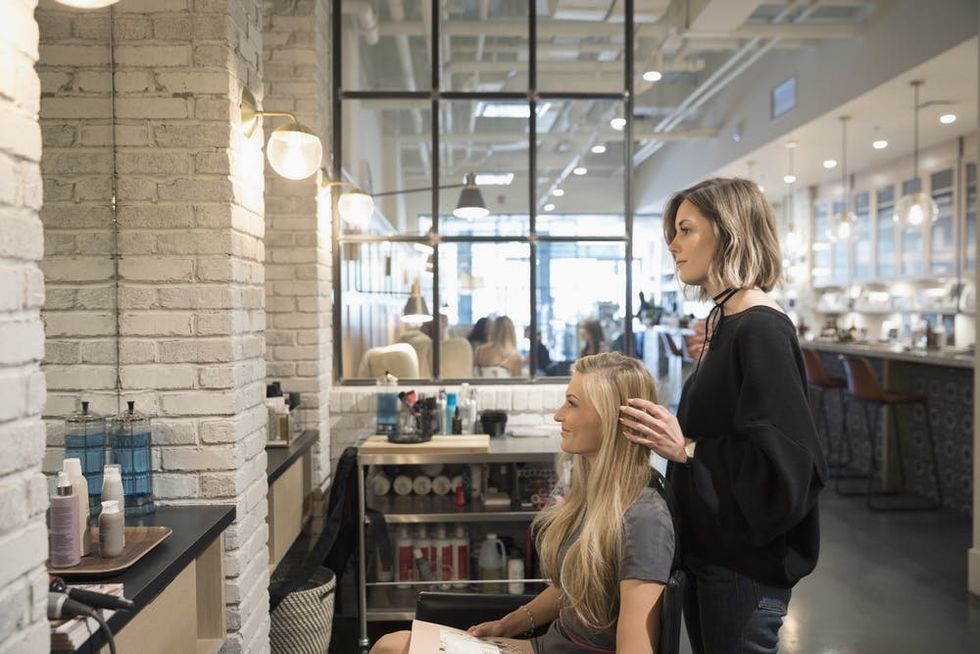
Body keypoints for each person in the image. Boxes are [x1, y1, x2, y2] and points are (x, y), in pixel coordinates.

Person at [618, 177, 827, 654]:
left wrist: (685, 447)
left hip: (743, 568)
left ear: (729, 232)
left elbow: (788, 469)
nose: (673, 244)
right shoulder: (730, 323)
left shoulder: (760, 329)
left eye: (686, 230)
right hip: (715, 555)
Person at [369, 352, 675, 654]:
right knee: (391, 645)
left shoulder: (644, 518)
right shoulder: (598, 495)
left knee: (391, 647)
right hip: (543, 646)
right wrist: (509, 624)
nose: (559, 415)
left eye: (572, 404)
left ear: (610, 419)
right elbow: (578, 587)